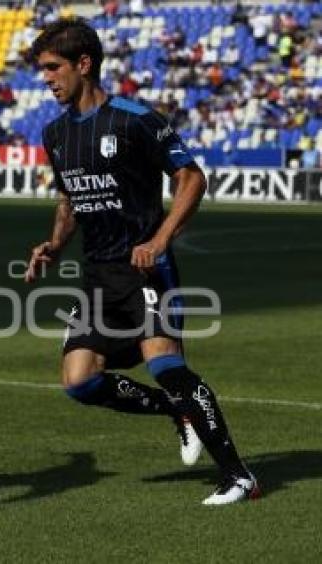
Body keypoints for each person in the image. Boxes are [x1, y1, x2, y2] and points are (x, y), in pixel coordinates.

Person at [26, 18, 259, 505]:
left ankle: (239, 476)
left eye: (52, 67)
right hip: (97, 276)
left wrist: (159, 239)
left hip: (145, 270)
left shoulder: (135, 119)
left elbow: (191, 178)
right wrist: (54, 245)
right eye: (42, 69)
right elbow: (70, 200)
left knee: (167, 366)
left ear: (83, 64)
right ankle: (177, 411)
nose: (45, 78)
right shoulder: (55, 133)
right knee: (79, 381)